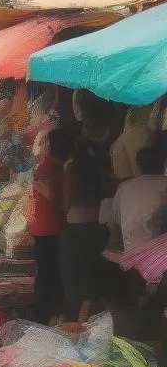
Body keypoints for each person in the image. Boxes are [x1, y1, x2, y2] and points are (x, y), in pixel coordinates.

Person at [61, 136, 109, 323]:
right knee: (90, 273)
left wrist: (62, 213)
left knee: (73, 274)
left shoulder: (71, 167)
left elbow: (66, 198)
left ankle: (74, 321)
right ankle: (84, 317)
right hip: (96, 225)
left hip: (75, 225)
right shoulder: (99, 168)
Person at [30, 128, 72, 325]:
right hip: (51, 230)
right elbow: (56, 198)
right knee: (50, 276)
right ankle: (43, 316)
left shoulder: (47, 167)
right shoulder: (51, 169)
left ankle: (43, 315)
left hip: (44, 229)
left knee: (47, 274)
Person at [110, 145, 167, 254]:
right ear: (163, 163)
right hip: (160, 258)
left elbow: (115, 224)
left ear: (138, 165)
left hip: (132, 255)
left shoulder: (124, 188)